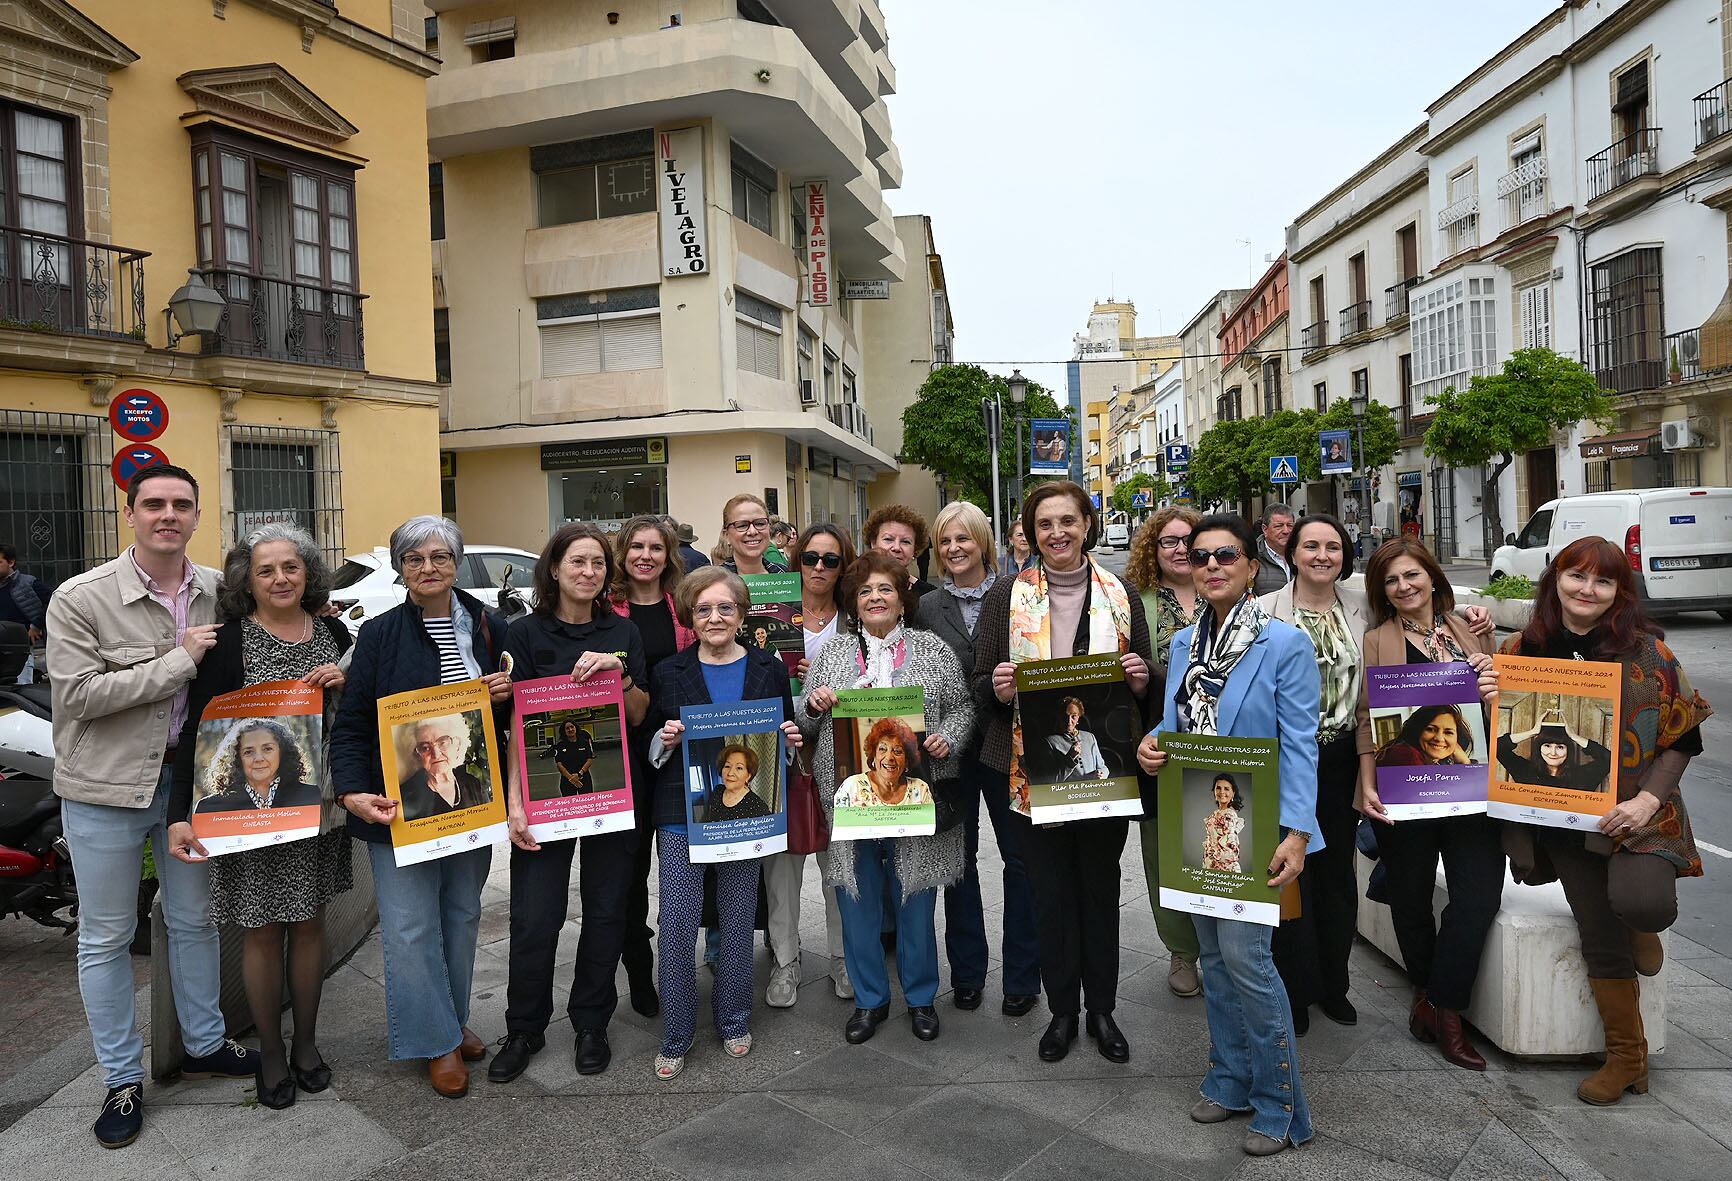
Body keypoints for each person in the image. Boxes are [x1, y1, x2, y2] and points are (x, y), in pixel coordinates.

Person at [46, 465, 259, 1148]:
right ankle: (121, 1078)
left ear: (196, 515)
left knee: (194, 920)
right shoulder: (81, 597)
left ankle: (203, 1044)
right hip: (104, 788)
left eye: (181, 504)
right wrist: (177, 660)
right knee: (106, 936)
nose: (168, 514)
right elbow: (76, 695)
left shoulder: (221, 592)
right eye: (154, 503)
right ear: (131, 513)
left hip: (191, 786)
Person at [1487, 536, 1711, 1106]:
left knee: (1642, 904)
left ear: (1619, 591)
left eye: (1603, 580)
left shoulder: (1650, 654)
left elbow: (1684, 737)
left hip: (1637, 815)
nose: (1587, 589)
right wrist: (1489, 697)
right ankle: (1628, 1058)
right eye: (1576, 576)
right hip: (1563, 822)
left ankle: (1640, 925)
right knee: (1599, 936)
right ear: (1555, 580)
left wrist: (1647, 801)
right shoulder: (1521, 648)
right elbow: (1500, 740)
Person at [1137, 511, 1322, 1157]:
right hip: (1197, 814)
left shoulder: (1284, 643)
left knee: (1248, 961)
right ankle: (1230, 1078)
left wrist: (1297, 832)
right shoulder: (1185, 643)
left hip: (1259, 820)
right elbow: (1178, 722)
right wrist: (1153, 743)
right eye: (1200, 556)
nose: (1211, 565)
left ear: (1250, 566)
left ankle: (1280, 1104)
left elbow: (1300, 745)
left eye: (1226, 555)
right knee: (1213, 958)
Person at [164, 523, 351, 1110]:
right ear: (247, 580)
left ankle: (307, 1044)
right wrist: (180, 814)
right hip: (251, 817)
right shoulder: (228, 643)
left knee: (311, 924)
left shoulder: (333, 633)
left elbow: (355, 714)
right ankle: (270, 1051)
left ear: (308, 572)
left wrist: (345, 680)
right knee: (262, 931)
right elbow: (198, 732)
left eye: (291, 566)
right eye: (265, 570)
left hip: (317, 809)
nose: (280, 578)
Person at [330, 515, 512, 1099]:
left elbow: (510, 718)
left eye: (440, 556)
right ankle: (436, 1042)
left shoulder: (490, 625)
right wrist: (350, 791)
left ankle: (450, 1022)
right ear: (399, 568)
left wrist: (505, 697)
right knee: (410, 926)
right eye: (414, 559)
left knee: (461, 915)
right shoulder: (379, 634)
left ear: (456, 563)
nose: (428, 568)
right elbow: (353, 724)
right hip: (398, 805)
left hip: (467, 800)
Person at [974, 480, 1152, 1065]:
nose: (1057, 533)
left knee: (1099, 892)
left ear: (1087, 526)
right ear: (1031, 532)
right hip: (1032, 775)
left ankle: (1102, 1009)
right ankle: (1062, 1013)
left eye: (1068, 521)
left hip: (1104, 772)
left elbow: (1144, 677)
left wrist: (1140, 679)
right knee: (1049, 896)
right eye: (1045, 524)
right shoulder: (1006, 595)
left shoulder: (1121, 592)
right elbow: (980, 681)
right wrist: (999, 688)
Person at [492, 521, 649, 1081]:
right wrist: (515, 804)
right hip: (545, 798)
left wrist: (619, 673)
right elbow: (515, 726)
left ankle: (591, 1022)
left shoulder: (622, 632)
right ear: (554, 569)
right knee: (536, 917)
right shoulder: (523, 634)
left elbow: (638, 714)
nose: (588, 572)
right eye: (577, 561)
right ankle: (524, 1027)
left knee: (606, 912)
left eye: (598, 563)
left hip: (612, 793)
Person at [802, 551, 974, 1045]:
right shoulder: (832, 655)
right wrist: (813, 704)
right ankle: (870, 999)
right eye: (864, 591)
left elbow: (962, 708)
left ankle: (920, 998)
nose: (875, 598)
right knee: (856, 898)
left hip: (914, 797)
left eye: (885, 589)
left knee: (915, 898)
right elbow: (806, 722)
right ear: (853, 602)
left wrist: (947, 738)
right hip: (852, 800)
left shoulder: (932, 650)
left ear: (902, 600)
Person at [647, 566, 802, 1080]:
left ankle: (734, 1018)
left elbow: (780, 737)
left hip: (746, 815)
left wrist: (790, 742)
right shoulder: (668, 671)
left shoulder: (768, 667)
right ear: (690, 617)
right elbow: (648, 745)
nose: (715, 617)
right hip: (681, 812)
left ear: (742, 614)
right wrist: (664, 739)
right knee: (677, 924)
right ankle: (676, 1031)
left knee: (737, 919)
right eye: (703, 609)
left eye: (725, 608)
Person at [1355, 537, 1500, 1072]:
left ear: (1433, 578)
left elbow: (1501, 706)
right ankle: (1428, 993)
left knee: (1478, 897)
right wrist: (1367, 785)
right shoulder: (1376, 640)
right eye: (1391, 580)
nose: (1404, 586)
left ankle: (1441, 1006)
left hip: (1471, 791)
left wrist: (1492, 684)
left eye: (1412, 575)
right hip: (1405, 789)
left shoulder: (1471, 629)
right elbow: (1367, 719)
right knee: (1410, 898)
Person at [919, 500, 1040, 1017]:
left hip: (1008, 745)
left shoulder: (1018, 593)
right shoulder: (926, 606)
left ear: (984, 542)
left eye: (963, 538)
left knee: (1021, 860)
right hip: (948, 752)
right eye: (945, 541)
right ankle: (967, 974)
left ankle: (1022, 977)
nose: (954, 549)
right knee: (958, 862)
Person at [1256, 512, 1369, 1034]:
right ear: (1292, 554)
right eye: (1311, 546)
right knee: (1289, 876)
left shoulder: (1364, 607)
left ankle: (1334, 985)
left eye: (1333, 547)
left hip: (1344, 758)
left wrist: (1474, 617)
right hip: (1285, 761)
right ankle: (1295, 990)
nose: (1323, 556)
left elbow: (1426, 608)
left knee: (1337, 876)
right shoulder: (1263, 611)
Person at [760, 521, 854, 1009]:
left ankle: (843, 956)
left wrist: (823, 682)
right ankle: (785, 960)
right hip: (782, 750)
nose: (819, 567)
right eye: (810, 557)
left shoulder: (855, 620)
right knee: (782, 866)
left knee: (840, 864)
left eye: (830, 559)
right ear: (796, 561)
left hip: (840, 757)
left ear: (843, 567)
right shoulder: (772, 611)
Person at [612, 514, 696, 1019]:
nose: (646, 556)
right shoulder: (606, 609)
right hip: (623, 754)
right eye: (637, 547)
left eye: (656, 548)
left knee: (680, 868)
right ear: (622, 554)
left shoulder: (682, 608)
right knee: (629, 871)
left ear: (669, 556)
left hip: (677, 751)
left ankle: (682, 962)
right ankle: (640, 972)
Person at [1125, 507, 1204, 998]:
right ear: (1152, 551)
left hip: (1225, 747)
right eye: (1168, 541)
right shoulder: (1138, 602)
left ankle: (1223, 945)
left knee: (1221, 841)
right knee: (1163, 851)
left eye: (1189, 540)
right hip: (1160, 748)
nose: (1180, 549)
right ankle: (1182, 950)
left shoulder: (1230, 593)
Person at [191, 720, 322, 813]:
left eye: (267, 749)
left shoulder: (311, 796)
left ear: (282, 752)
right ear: (237, 758)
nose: (258, 758)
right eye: (248, 752)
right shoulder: (210, 807)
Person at [396, 714, 491, 821]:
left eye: (443, 742)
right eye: (425, 747)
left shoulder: (473, 784)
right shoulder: (405, 796)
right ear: (417, 755)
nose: (436, 754)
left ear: (457, 745)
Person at [1495, 715, 1613, 792]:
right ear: (1539, 748)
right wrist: (1532, 732)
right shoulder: (1526, 771)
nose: (1553, 753)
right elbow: (1497, 747)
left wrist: (1573, 736)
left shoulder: (1582, 776)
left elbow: (1610, 760)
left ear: (1569, 750)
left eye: (1560, 747)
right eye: (1547, 746)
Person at [834, 717, 933, 806]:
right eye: (882, 749)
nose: (889, 757)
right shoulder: (852, 787)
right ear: (874, 755)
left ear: (906, 760)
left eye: (897, 751)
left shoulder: (920, 789)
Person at [0, 542, 49, 683]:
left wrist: (36, 626)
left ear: (11, 562)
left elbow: (53, 601)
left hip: (21, 651)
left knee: (20, 688)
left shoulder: (28, 583)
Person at [863, 503, 935, 595]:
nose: (897, 548)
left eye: (905, 542)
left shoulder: (930, 596)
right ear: (873, 543)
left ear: (915, 549)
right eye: (888, 539)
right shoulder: (853, 588)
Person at [1379, 705, 1476, 767]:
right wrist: (1465, 764)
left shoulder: (1436, 762)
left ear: (1457, 739)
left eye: (1448, 732)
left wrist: (1465, 763)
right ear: (1417, 731)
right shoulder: (1406, 755)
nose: (1439, 738)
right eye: (1430, 729)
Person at [719, 494, 786, 575]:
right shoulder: (713, 580)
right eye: (742, 525)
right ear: (726, 535)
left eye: (760, 524)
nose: (752, 532)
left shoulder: (785, 574)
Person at [1047, 696, 1108, 780]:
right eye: (1065, 716)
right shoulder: (1050, 742)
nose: (1069, 722)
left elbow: (1102, 767)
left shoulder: (1090, 737)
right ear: (1058, 716)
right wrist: (1070, 758)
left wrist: (1101, 774)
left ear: (1078, 717)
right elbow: (1053, 779)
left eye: (1073, 716)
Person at [706, 745, 773, 819]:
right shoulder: (718, 790)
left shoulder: (758, 807)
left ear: (748, 776)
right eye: (727, 766)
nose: (730, 773)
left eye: (739, 768)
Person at [1202, 774, 1245, 872]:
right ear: (1214, 791)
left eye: (1226, 789)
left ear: (1233, 793)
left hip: (1225, 868)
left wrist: (1213, 855)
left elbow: (1232, 850)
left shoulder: (1229, 815)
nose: (1222, 792)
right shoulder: (1215, 813)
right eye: (1218, 788)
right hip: (1211, 865)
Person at [1251, 505, 1295, 596]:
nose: (1286, 531)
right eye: (1279, 526)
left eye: (1290, 525)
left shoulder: (1302, 555)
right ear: (1265, 529)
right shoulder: (1252, 557)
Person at [544, 720, 596, 794]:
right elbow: (559, 764)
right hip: (567, 780)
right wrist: (571, 778)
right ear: (564, 731)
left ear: (576, 728)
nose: (570, 729)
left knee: (586, 800)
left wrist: (579, 774)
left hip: (584, 777)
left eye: (572, 727)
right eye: (567, 728)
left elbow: (589, 760)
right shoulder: (560, 745)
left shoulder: (584, 742)